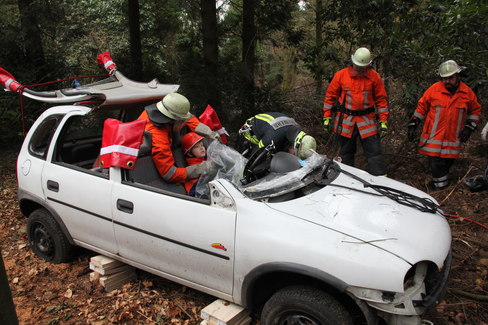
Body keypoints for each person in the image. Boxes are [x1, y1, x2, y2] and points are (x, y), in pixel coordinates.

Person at [408, 60, 482, 191]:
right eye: (444, 78)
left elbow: (475, 111)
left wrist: (469, 128)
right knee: (435, 163)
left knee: (446, 164)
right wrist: (414, 122)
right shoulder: (434, 90)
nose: (447, 81)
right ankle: (441, 188)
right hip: (432, 136)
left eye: (450, 78)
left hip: (452, 138)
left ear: (457, 76)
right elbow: (422, 107)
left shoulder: (467, 93)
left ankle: (438, 185)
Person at [322, 47, 389, 176]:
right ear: (352, 62)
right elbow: (330, 96)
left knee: (374, 153)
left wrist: (383, 120)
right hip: (346, 120)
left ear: (368, 65)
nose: (359, 69)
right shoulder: (341, 75)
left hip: (367, 120)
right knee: (345, 154)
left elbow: (381, 99)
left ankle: (381, 180)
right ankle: (346, 179)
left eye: (362, 67)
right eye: (357, 66)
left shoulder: (374, 77)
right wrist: (327, 117)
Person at [138, 92, 220, 184]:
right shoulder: (158, 138)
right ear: (174, 120)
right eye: (183, 121)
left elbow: (189, 118)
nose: (185, 122)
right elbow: (169, 174)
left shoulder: (161, 111)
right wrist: (201, 169)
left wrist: (209, 133)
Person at [237, 112, 317, 160]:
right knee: (246, 161)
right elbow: (256, 155)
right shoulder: (271, 138)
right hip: (251, 134)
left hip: (270, 128)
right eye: (295, 154)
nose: (295, 156)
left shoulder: (297, 130)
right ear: (295, 145)